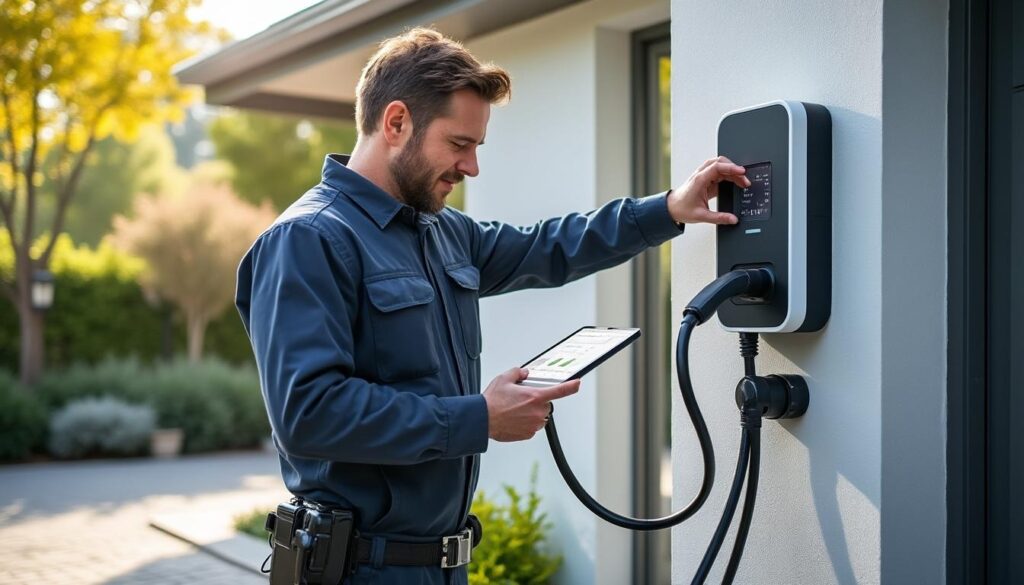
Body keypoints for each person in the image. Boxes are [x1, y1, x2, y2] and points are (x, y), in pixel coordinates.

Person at [235, 27, 749, 585]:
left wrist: (669, 209)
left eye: (476, 147)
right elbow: (309, 413)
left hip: (444, 567)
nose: (472, 167)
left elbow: (548, 246)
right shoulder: (308, 240)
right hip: (358, 570)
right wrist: (478, 417)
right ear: (396, 122)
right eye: (460, 144)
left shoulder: (444, 233)